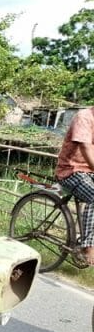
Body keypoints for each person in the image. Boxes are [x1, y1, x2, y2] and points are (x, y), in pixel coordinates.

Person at [55, 106, 94, 265]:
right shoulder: (84, 117)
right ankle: (88, 246)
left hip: (89, 171)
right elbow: (85, 146)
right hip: (70, 171)